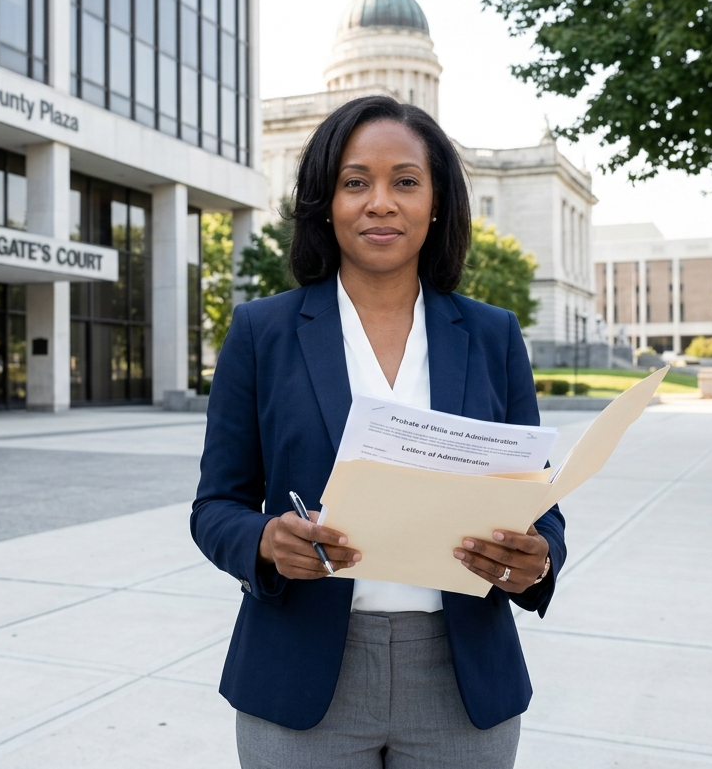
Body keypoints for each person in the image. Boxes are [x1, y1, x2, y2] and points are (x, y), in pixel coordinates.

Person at [190, 95, 565, 768]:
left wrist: (537, 559)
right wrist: (265, 540)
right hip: (299, 675)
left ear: (438, 201)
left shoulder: (492, 335)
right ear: (324, 203)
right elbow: (216, 506)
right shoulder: (261, 332)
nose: (381, 202)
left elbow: (538, 504)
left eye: (405, 181)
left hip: (461, 679)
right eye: (355, 181)